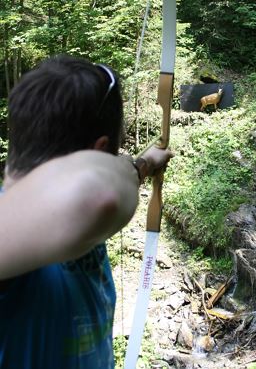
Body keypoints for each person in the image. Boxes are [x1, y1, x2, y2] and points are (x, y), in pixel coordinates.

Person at [0, 55, 173, 368]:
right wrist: (134, 168)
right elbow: (100, 195)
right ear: (99, 152)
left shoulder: (66, 219)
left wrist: (144, 164)